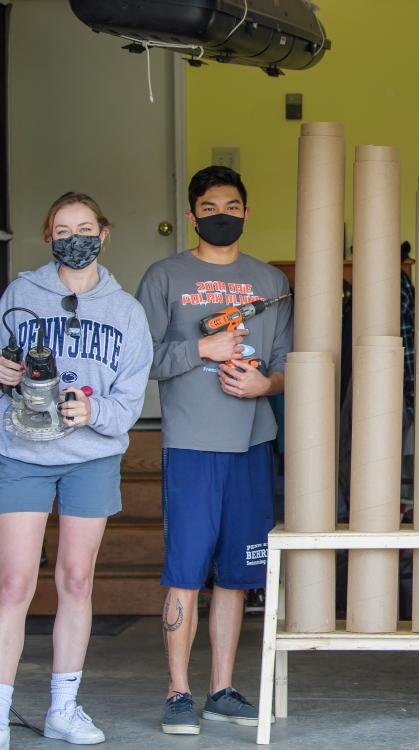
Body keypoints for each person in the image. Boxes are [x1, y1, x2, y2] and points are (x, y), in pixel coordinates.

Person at [136, 166, 291, 736]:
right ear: (191, 214)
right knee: (185, 570)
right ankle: (178, 693)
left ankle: (220, 690)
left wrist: (265, 387)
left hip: (251, 442)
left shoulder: (270, 281)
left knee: (235, 575)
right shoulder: (164, 276)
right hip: (192, 444)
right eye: (208, 207)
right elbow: (141, 359)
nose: (220, 214)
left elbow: (289, 366)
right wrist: (201, 346)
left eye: (230, 205)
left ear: (246, 213)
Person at [0, 192, 153, 749]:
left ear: (104, 233)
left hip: (91, 455)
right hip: (23, 453)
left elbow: (131, 398)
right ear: (48, 237)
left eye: (84, 227)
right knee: (14, 583)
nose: (75, 237)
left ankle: (63, 707)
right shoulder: (21, 294)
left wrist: (94, 411)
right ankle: (0, 712)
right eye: (63, 229)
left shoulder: (127, 312)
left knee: (76, 579)